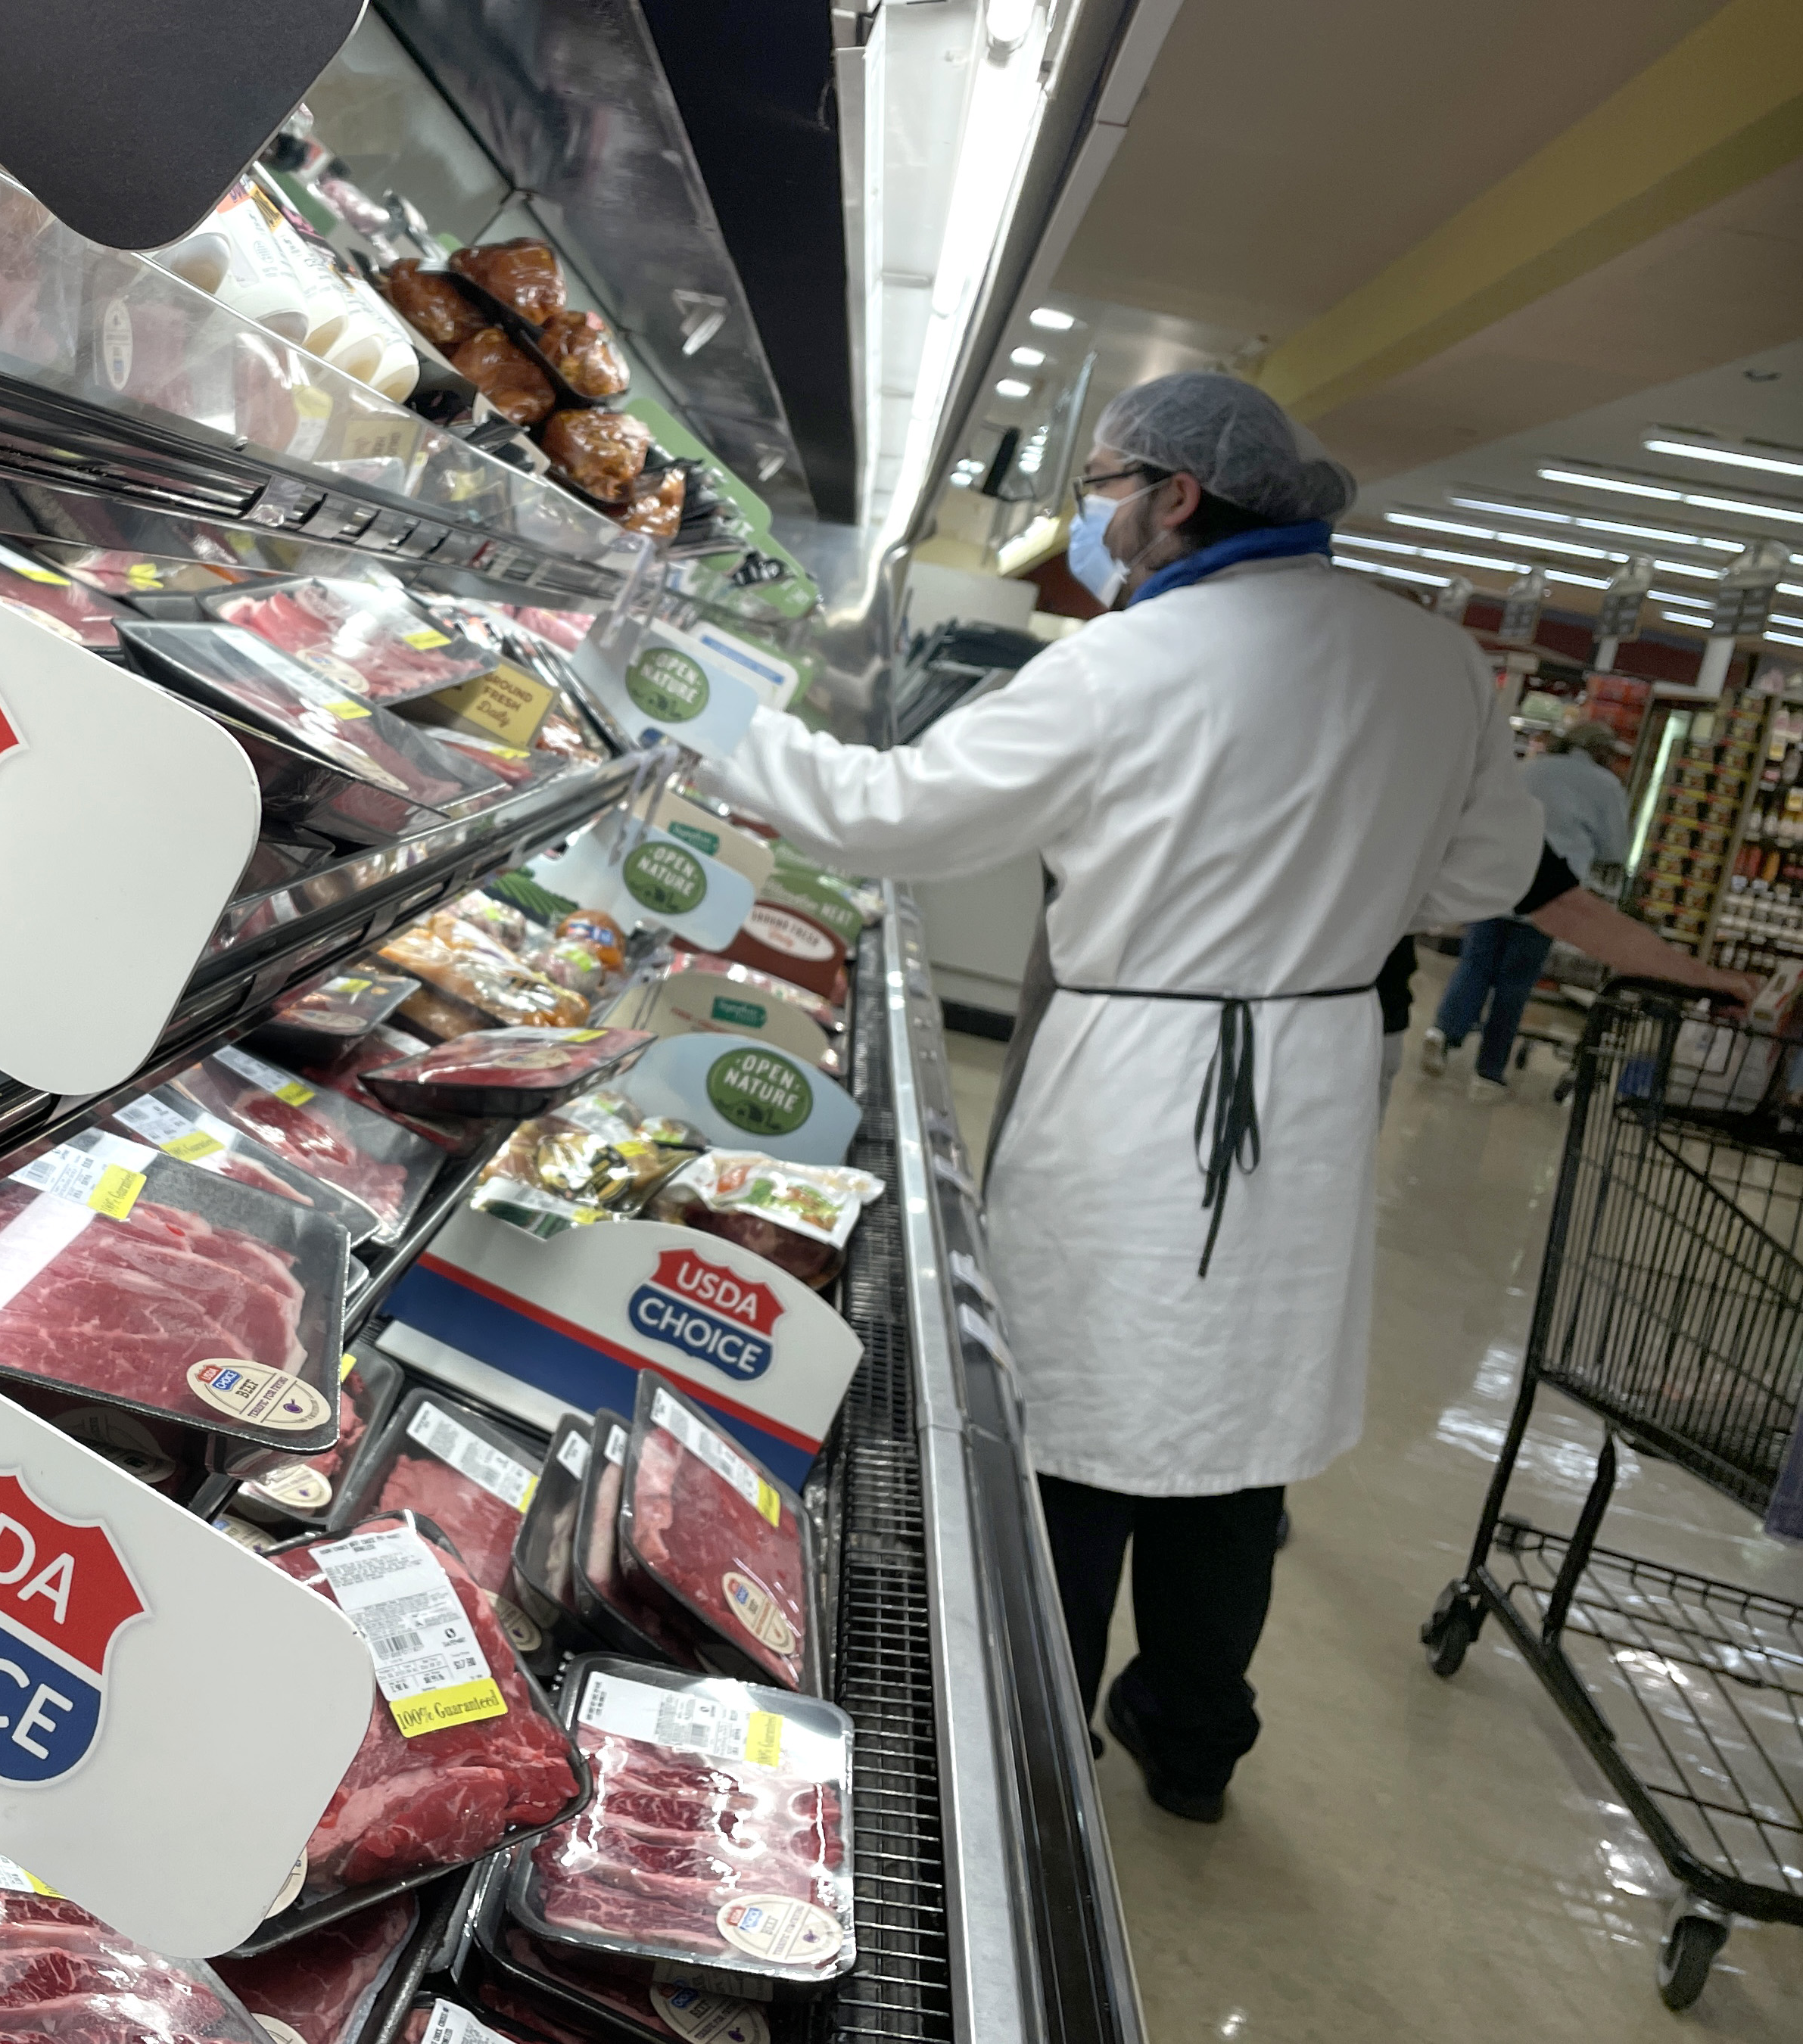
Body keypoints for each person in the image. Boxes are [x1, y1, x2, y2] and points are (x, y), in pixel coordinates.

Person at [701, 372, 1547, 1824]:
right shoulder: (1432, 660)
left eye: (1096, 485)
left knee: (1078, 1424)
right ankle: (1194, 1738)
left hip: (1142, 1079)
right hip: (1317, 1065)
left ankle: (1037, 1764)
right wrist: (1328, 875)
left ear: (1174, 493)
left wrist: (699, 705)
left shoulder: (1129, 662)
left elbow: (880, 816)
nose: (1082, 518)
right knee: (1238, 1433)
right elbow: (1481, 879)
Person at [1421, 722, 1636, 1092]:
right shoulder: (1606, 786)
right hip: (1553, 887)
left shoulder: (1534, 768)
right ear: (1601, 752)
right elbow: (1616, 849)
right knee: (1516, 980)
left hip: (1503, 875)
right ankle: (1489, 1071)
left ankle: (1444, 1031)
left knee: (1476, 962)